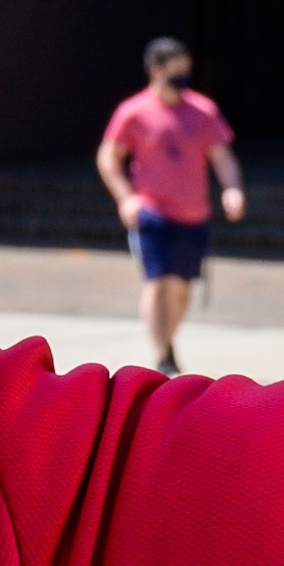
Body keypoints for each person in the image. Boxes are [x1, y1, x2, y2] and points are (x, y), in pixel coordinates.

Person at [96, 34, 247, 361]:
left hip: (193, 215)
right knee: (157, 282)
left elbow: (222, 157)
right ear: (156, 71)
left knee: (180, 289)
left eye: (186, 71)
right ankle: (162, 354)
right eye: (175, 71)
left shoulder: (203, 111)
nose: (183, 79)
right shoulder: (133, 113)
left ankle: (167, 341)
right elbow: (108, 157)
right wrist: (126, 198)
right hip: (152, 213)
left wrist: (232, 189)